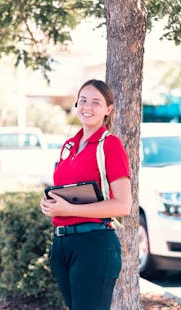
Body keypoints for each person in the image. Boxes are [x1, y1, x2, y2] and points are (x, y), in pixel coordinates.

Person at [40, 79, 132, 310]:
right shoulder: (69, 145)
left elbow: (123, 205)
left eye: (95, 102)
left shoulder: (110, 145)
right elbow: (68, 193)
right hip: (62, 243)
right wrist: (50, 204)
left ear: (108, 110)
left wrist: (69, 210)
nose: (87, 108)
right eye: (82, 101)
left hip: (94, 244)